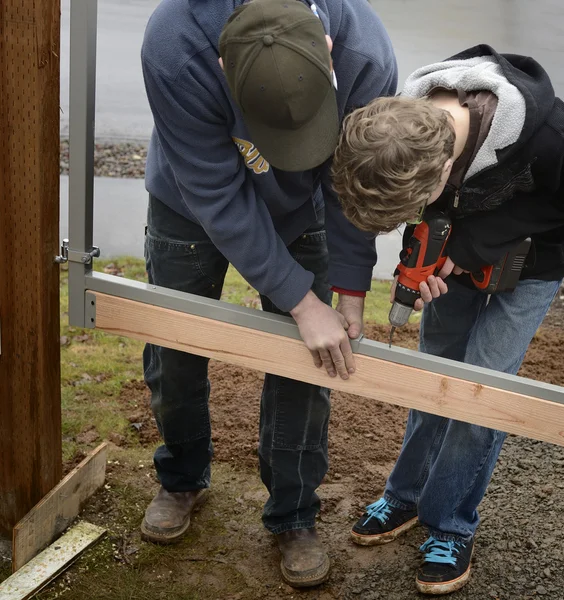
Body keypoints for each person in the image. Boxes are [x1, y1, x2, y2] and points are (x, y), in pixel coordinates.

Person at [139, 0, 397, 588]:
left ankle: (293, 514)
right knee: (175, 345)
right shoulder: (177, 41)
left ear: (327, 54)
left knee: (311, 362)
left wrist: (349, 288)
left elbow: (351, 181)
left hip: (305, 206)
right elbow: (215, 192)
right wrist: (302, 302)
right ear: (224, 62)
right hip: (190, 203)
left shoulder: (365, 53)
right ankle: (181, 478)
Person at [332, 44, 564, 595]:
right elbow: (425, 205)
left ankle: (451, 523)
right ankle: (405, 495)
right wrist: (426, 249)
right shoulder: (404, 125)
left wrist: (475, 242)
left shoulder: (546, 134)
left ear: (443, 172)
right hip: (458, 249)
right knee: (436, 371)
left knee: (481, 387)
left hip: (535, 263)